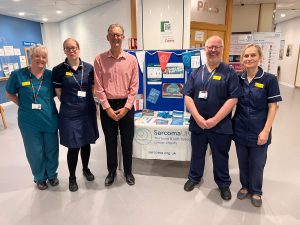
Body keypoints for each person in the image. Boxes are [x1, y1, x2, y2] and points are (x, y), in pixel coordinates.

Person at [183, 35, 242, 200]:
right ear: (205, 49)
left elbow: (233, 99)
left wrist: (214, 120)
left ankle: (223, 184)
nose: (213, 50)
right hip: (198, 124)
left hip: (220, 125)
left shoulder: (229, 72)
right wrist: (198, 117)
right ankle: (194, 178)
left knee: (220, 155)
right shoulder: (196, 73)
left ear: (222, 49)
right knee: (197, 153)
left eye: (217, 47)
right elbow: (187, 96)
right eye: (210, 47)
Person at [233, 44, 282, 207]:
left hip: (259, 128)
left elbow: (273, 106)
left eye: (253, 55)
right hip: (239, 127)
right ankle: (245, 187)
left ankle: (256, 191)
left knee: (257, 162)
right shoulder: (238, 78)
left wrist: (266, 130)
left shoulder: (269, 79)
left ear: (259, 57)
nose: (249, 58)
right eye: (246, 56)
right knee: (242, 160)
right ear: (242, 59)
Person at [6, 44, 59, 190]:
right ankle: (40, 177)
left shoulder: (50, 75)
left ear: (47, 59)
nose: (40, 59)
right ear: (31, 56)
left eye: (44, 56)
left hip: (49, 119)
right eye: (37, 56)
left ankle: (52, 175)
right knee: (34, 151)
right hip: (29, 122)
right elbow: (9, 93)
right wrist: (22, 105)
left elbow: (58, 93)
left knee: (52, 149)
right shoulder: (18, 74)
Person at [94, 24, 138, 186]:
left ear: (123, 37)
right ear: (108, 38)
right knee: (110, 141)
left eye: (119, 35)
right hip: (107, 106)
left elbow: (134, 86)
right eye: (113, 35)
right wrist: (107, 108)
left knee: (127, 141)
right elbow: (98, 87)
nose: (116, 38)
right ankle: (111, 171)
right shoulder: (99, 59)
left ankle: (128, 172)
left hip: (126, 105)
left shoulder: (131, 60)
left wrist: (127, 107)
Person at [52, 38, 99, 192]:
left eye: (73, 47)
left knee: (86, 142)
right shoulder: (58, 70)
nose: (71, 50)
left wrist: (85, 102)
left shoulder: (89, 68)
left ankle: (85, 169)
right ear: (64, 51)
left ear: (79, 48)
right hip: (70, 113)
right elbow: (58, 92)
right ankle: (72, 177)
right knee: (74, 146)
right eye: (67, 48)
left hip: (87, 111)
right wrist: (72, 102)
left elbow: (92, 88)